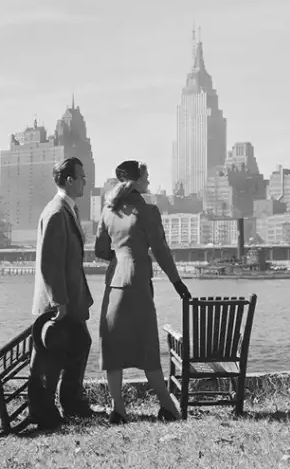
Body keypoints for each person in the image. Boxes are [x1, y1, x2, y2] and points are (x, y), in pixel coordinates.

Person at [95, 160, 191, 423]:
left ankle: (118, 409)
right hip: (137, 283)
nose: (148, 179)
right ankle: (168, 407)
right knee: (147, 347)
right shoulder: (148, 211)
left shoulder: (108, 210)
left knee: (112, 346)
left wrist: (119, 256)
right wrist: (177, 282)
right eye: (146, 175)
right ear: (136, 180)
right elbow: (161, 250)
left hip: (113, 283)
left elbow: (99, 250)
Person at [29, 156, 96, 430]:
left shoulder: (67, 209)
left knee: (79, 344)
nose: (84, 182)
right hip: (60, 303)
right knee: (50, 357)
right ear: (69, 180)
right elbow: (49, 262)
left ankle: (70, 402)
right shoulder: (57, 212)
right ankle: (45, 411)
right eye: (81, 177)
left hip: (70, 298)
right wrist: (59, 303)